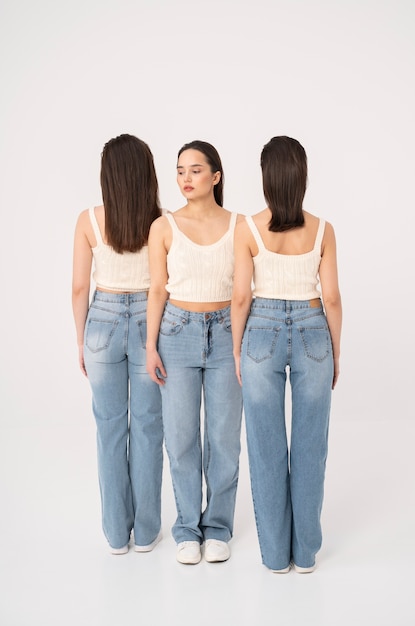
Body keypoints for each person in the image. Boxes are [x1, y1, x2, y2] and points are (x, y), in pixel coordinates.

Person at [231, 136, 342, 574]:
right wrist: (336, 349)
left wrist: (239, 351)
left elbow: (241, 297)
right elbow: (331, 298)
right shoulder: (323, 230)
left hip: (261, 331)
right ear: (302, 176)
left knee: (265, 447)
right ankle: (307, 554)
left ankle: (276, 557)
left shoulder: (248, 228)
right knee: (310, 448)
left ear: (266, 178)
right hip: (315, 329)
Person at [146, 140, 243, 565]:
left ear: (216, 177)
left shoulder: (240, 225)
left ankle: (218, 526)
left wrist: (242, 346)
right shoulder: (163, 226)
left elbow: (244, 292)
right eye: (181, 171)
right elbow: (155, 291)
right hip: (177, 333)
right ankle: (187, 527)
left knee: (223, 438)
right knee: (182, 437)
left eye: (196, 170)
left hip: (226, 334)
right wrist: (150, 345)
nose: (186, 178)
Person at [72, 134, 164, 555]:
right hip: (151, 322)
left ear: (107, 175)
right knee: (147, 427)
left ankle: (115, 535)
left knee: (109, 429)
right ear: (147, 173)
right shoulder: (161, 222)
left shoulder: (88, 220)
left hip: (102, 321)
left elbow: (78, 289)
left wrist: (81, 340)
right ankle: (146, 534)